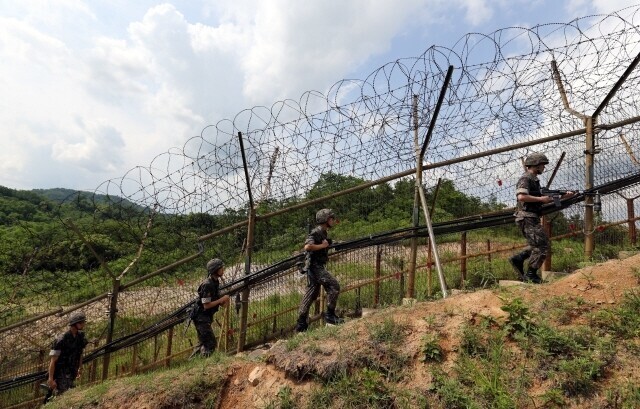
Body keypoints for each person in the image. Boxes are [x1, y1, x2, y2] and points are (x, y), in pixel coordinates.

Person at [509, 153, 574, 283]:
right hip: (526, 217)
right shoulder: (526, 178)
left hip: (531, 216)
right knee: (542, 245)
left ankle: (518, 259)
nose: (544, 167)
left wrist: (562, 197)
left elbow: (543, 200)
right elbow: (521, 197)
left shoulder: (534, 180)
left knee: (538, 244)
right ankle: (531, 274)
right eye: (542, 165)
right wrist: (541, 198)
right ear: (536, 165)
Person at [295, 208, 343, 332]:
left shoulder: (323, 232)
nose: (333, 220)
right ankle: (330, 316)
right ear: (326, 220)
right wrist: (323, 246)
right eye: (331, 218)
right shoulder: (317, 232)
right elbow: (308, 246)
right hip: (315, 267)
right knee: (334, 286)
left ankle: (301, 325)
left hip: (315, 267)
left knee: (311, 295)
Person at [45, 311, 88, 403]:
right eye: (82, 322)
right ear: (76, 324)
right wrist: (51, 379)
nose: (84, 324)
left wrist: (80, 368)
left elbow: (80, 353)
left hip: (72, 370)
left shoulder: (80, 337)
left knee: (68, 394)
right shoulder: (62, 339)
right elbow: (53, 361)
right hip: (61, 372)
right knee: (64, 396)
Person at [192, 258, 230, 357]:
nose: (223, 270)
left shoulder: (215, 282)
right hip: (201, 317)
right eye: (221, 268)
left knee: (202, 343)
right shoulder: (207, 284)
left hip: (205, 317)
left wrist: (222, 302)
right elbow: (206, 305)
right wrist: (221, 300)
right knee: (210, 344)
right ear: (215, 270)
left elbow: (214, 299)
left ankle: (192, 364)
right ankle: (204, 364)